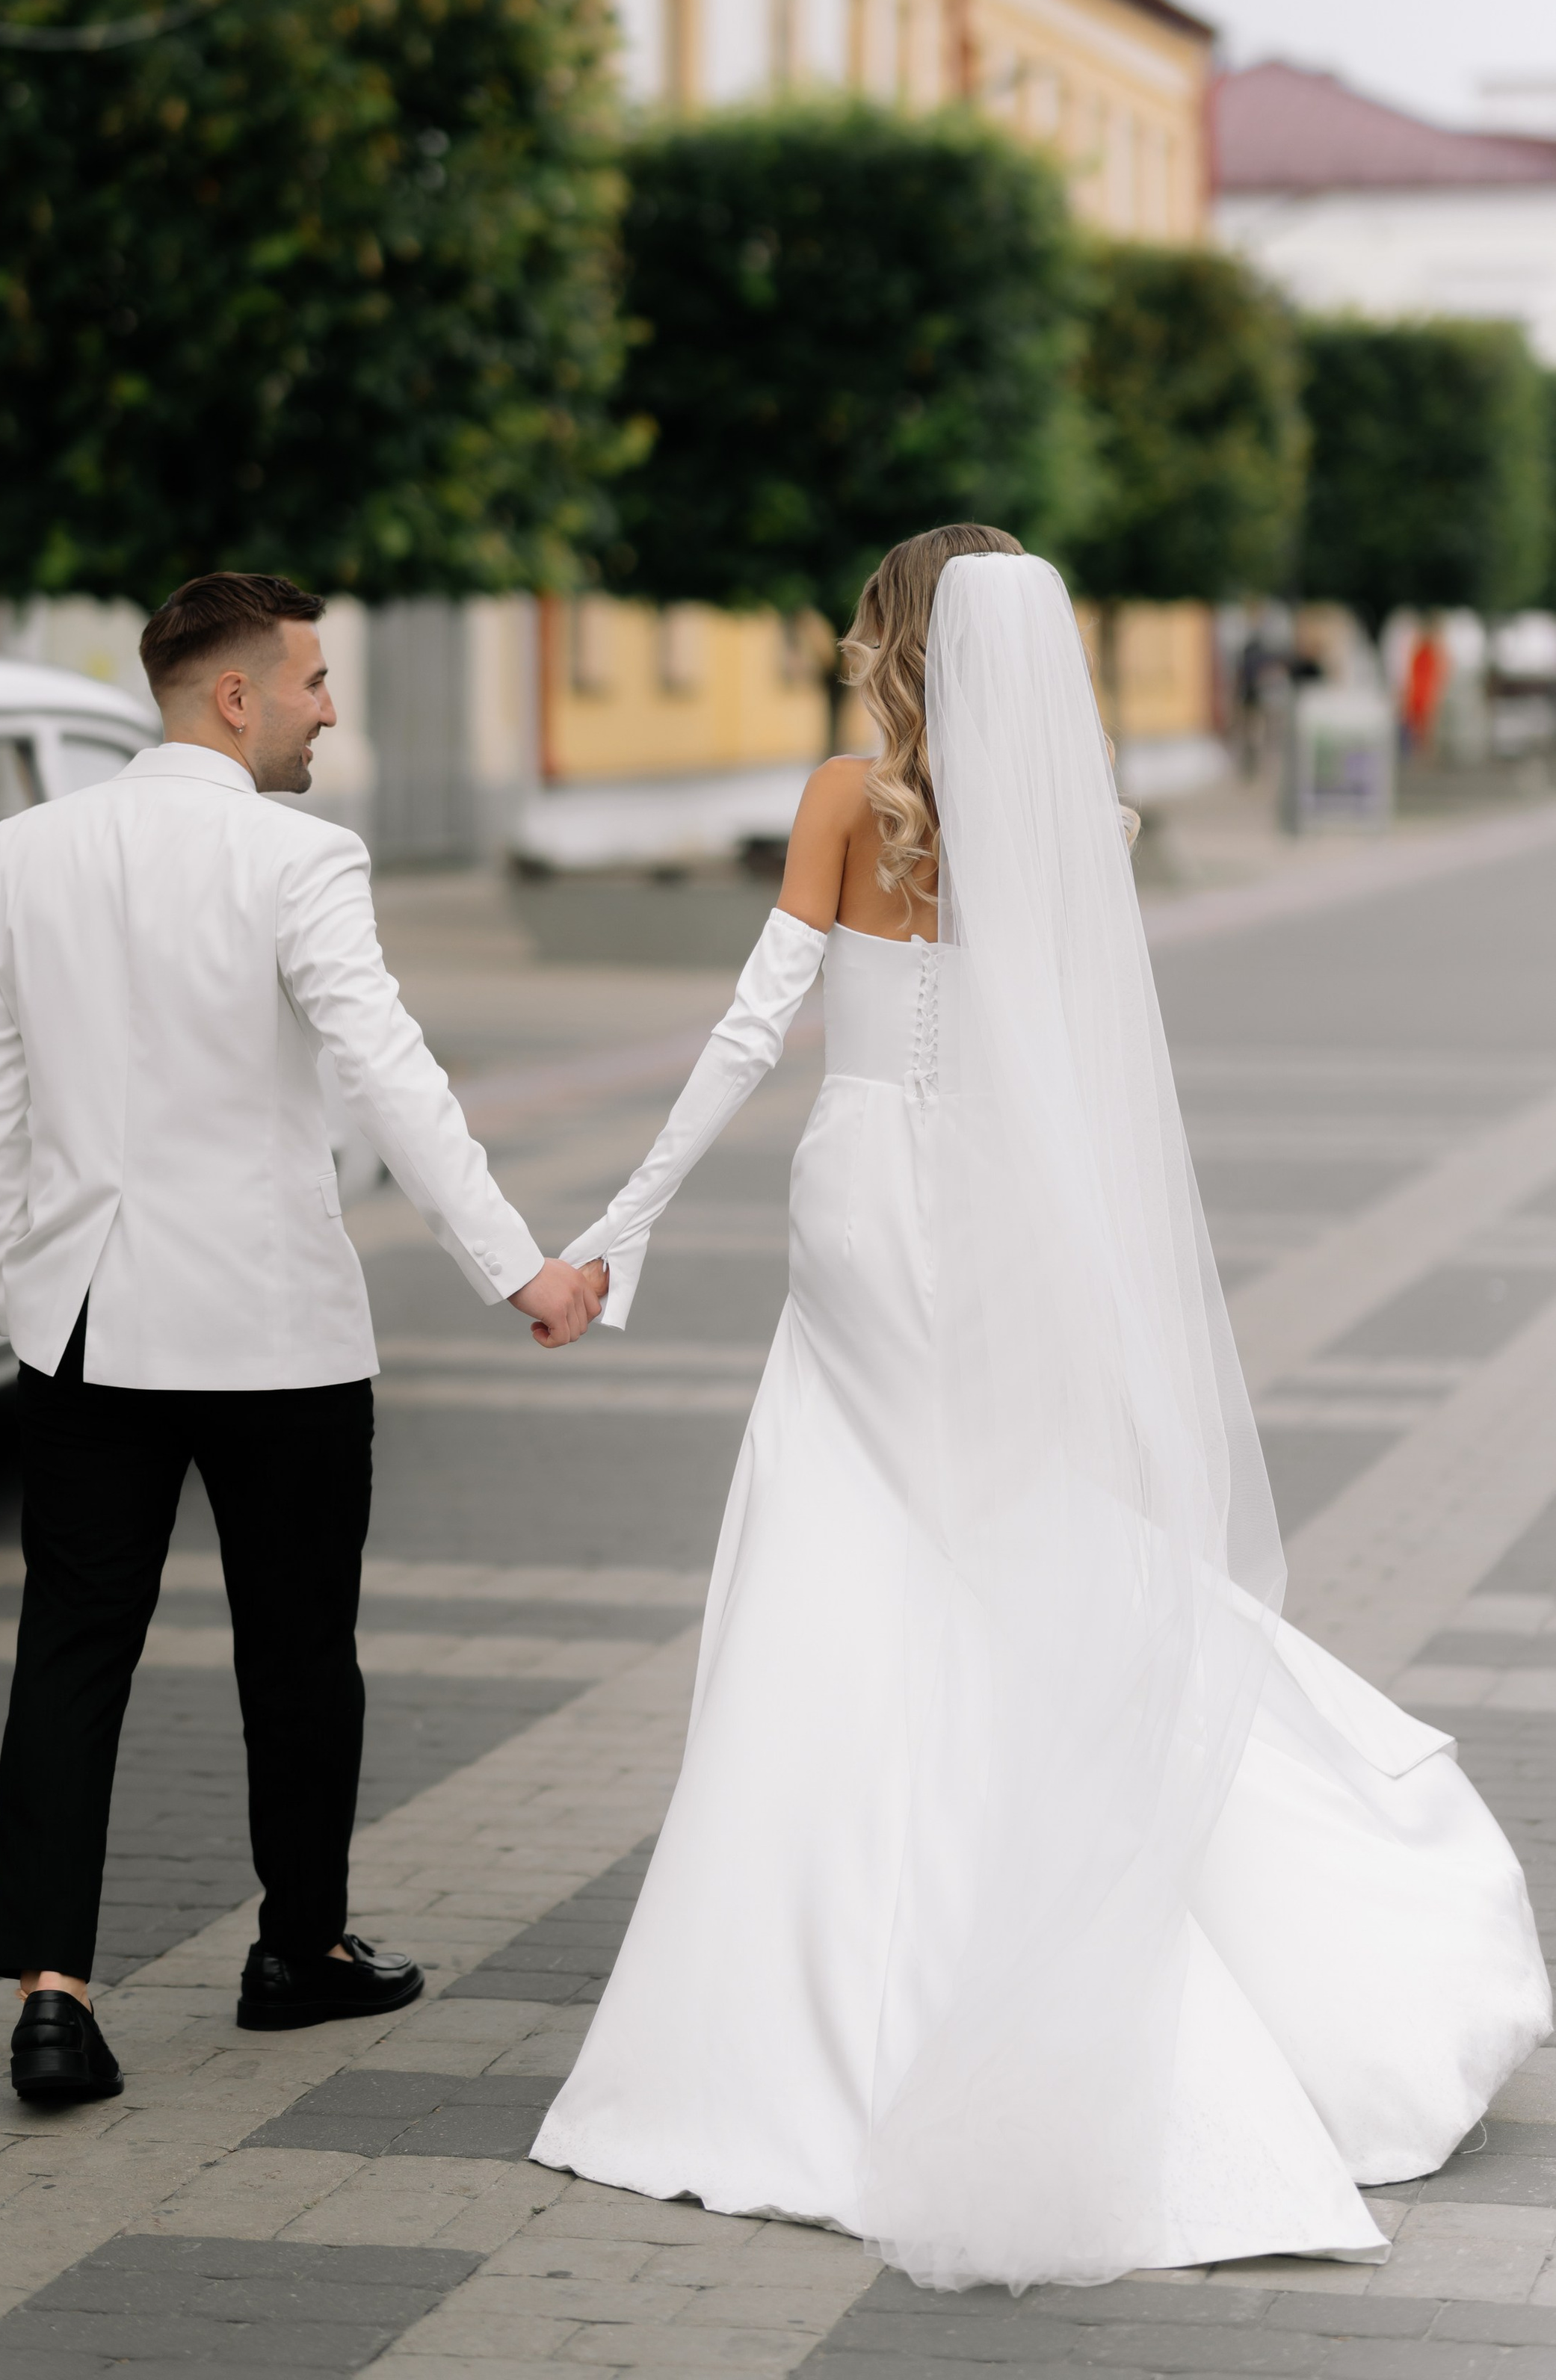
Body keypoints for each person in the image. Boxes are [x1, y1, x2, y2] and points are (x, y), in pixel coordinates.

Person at [534, 526, 1548, 2291]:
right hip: (992, 1222)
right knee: (1014, 1543)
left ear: (894, 640)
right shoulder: (1074, 826)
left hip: (858, 1214)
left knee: (849, 1542)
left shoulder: (849, 795)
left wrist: (610, 1234)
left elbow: (746, 1027)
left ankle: (813, 1964)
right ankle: (1102, 1883)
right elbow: (1084, 1091)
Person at [0, 570, 602, 2105]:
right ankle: (295, 1950)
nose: (328, 706)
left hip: (85, 1325)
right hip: (269, 1330)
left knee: (70, 1651)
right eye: (312, 678)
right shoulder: (299, 858)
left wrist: (14, 1289)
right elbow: (384, 1070)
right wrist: (520, 1268)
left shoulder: (22, 854)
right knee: (297, 1654)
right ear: (233, 695)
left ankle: (52, 1993)